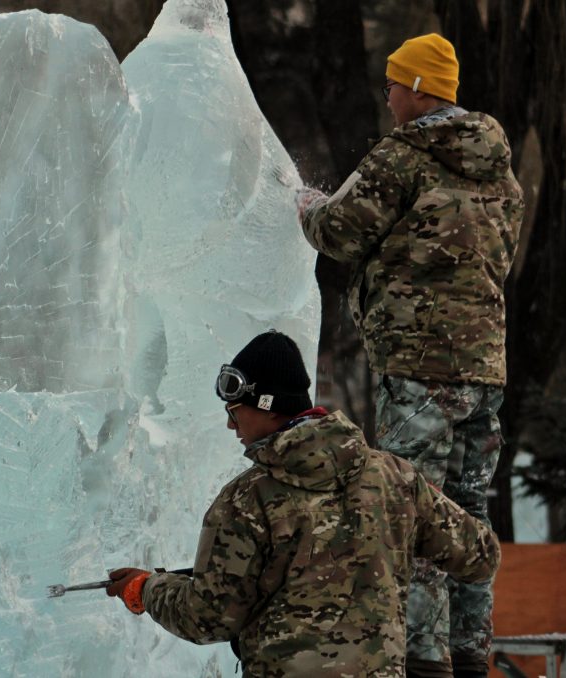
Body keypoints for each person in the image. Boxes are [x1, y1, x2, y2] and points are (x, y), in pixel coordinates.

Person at [296, 33, 524, 678]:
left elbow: (340, 234)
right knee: (469, 513)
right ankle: (470, 655)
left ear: (420, 90)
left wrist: (309, 205)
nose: (388, 95)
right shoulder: (499, 168)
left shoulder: (403, 156)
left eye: (395, 84)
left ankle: (424, 663)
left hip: (420, 366)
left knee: (409, 509)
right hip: (483, 366)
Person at [107, 330, 500, 678]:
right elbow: (481, 556)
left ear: (267, 405)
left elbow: (208, 617)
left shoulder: (248, 499)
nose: (231, 425)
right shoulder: (395, 478)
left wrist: (147, 588)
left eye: (234, 411)